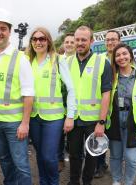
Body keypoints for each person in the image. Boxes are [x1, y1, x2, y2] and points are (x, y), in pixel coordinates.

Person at [0, 8, 34, 185]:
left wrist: (25, 123)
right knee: (4, 159)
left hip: (14, 123)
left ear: (9, 32)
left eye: (3, 29)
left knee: (21, 164)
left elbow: (28, 94)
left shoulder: (21, 58)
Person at [27, 27, 76, 185]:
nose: (38, 42)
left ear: (48, 41)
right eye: (35, 39)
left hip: (54, 118)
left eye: (42, 39)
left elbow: (71, 89)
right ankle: (43, 182)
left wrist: (70, 116)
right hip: (34, 117)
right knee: (40, 155)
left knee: (49, 156)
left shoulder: (58, 59)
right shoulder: (27, 61)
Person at [67, 25, 112, 185]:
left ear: (91, 41)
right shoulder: (67, 62)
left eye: (83, 40)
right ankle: (73, 181)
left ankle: (87, 182)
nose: (79, 43)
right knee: (73, 154)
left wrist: (101, 122)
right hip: (73, 119)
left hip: (93, 120)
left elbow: (106, 94)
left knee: (92, 155)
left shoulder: (102, 62)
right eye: (77, 39)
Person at [106, 43, 136, 185]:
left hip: (133, 123)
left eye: (124, 54)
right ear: (114, 59)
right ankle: (116, 180)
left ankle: (128, 182)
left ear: (131, 56)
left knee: (132, 158)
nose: (121, 57)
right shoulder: (111, 77)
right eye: (118, 55)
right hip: (114, 122)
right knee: (115, 156)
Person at [94, 29, 121, 178]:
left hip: (118, 106)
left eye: (113, 39)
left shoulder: (123, 57)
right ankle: (100, 164)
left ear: (119, 41)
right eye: (108, 39)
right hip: (102, 105)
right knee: (100, 135)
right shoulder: (99, 59)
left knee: (116, 139)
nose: (110, 42)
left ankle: (116, 166)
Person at [58, 32, 76, 172]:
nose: (69, 44)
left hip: (75, 105)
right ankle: (59, 159)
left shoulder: (79, 61)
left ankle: (73, 157)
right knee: (59, 135)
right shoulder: (57, 60)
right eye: (67, 42)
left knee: (73, 137)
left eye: (72, 42)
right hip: (60, 104)